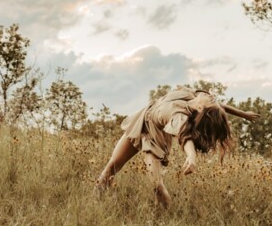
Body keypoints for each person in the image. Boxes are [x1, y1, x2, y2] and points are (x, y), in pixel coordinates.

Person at [95, 88, 259, 207]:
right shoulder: (192, 96)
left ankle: (167, 215)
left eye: (210, 100)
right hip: (141, 121)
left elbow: (184, 136)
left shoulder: (179, 116)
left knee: (157, 185)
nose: (211, 96)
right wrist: (243, 113)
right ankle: (96, 201)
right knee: (112, 166)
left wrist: (191, 156)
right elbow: (219, 105)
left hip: (154, 138)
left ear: (201, 108)